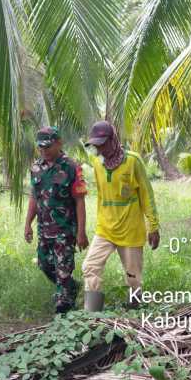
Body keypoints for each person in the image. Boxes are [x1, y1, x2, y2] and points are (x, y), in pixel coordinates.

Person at [82, 121, 160, 311]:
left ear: (113, 140)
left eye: (102, 143)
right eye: (96, 145)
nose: (99, 148)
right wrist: (99, 223)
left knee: (133, 277)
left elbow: (146, 195)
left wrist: (154, 226)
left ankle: (135, 311)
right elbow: (101, 195)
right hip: (105, 229)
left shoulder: (132, 161)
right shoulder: (97, 163)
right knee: (90, 266)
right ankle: (92, 314)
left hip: (131, 230)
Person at [24, 126, 89, 314]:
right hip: (44, 229)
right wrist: (28, 223)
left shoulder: (71, 166)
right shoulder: (36, 168)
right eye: (41, 148)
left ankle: (64, 309)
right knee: (44, 265)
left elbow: (79, 201)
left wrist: (81, 232)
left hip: (65, 230)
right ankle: (70, 287)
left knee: (63, 269)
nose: (44, 151)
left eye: (48, 147)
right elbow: (34, 198)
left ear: (59, 143)